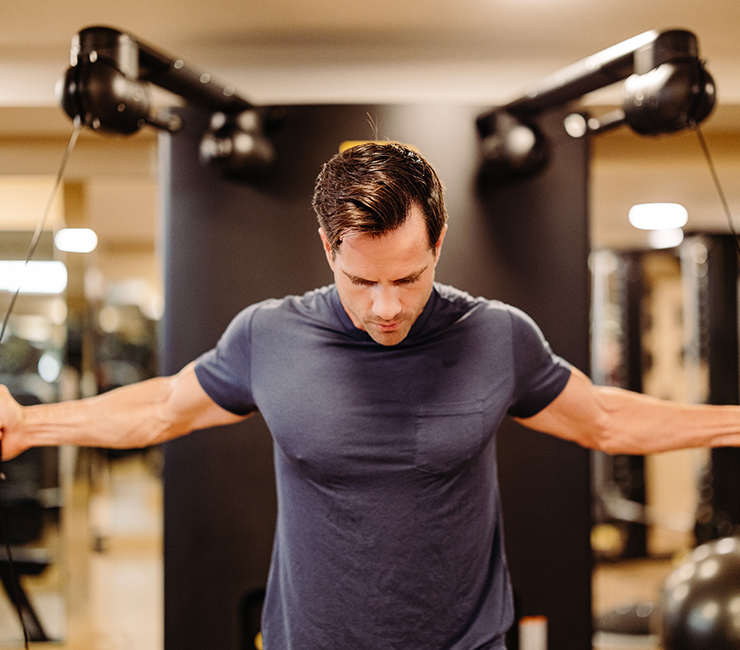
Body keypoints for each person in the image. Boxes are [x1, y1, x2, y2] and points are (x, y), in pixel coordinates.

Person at [1, 141, 740, 650]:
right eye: (361, 281)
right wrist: (30, 425)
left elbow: (606, 419)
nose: (386, 306)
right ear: (327, 249)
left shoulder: (497, 336)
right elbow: (162, 407)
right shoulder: (268, 336)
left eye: (408, 278)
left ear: (439, 242)